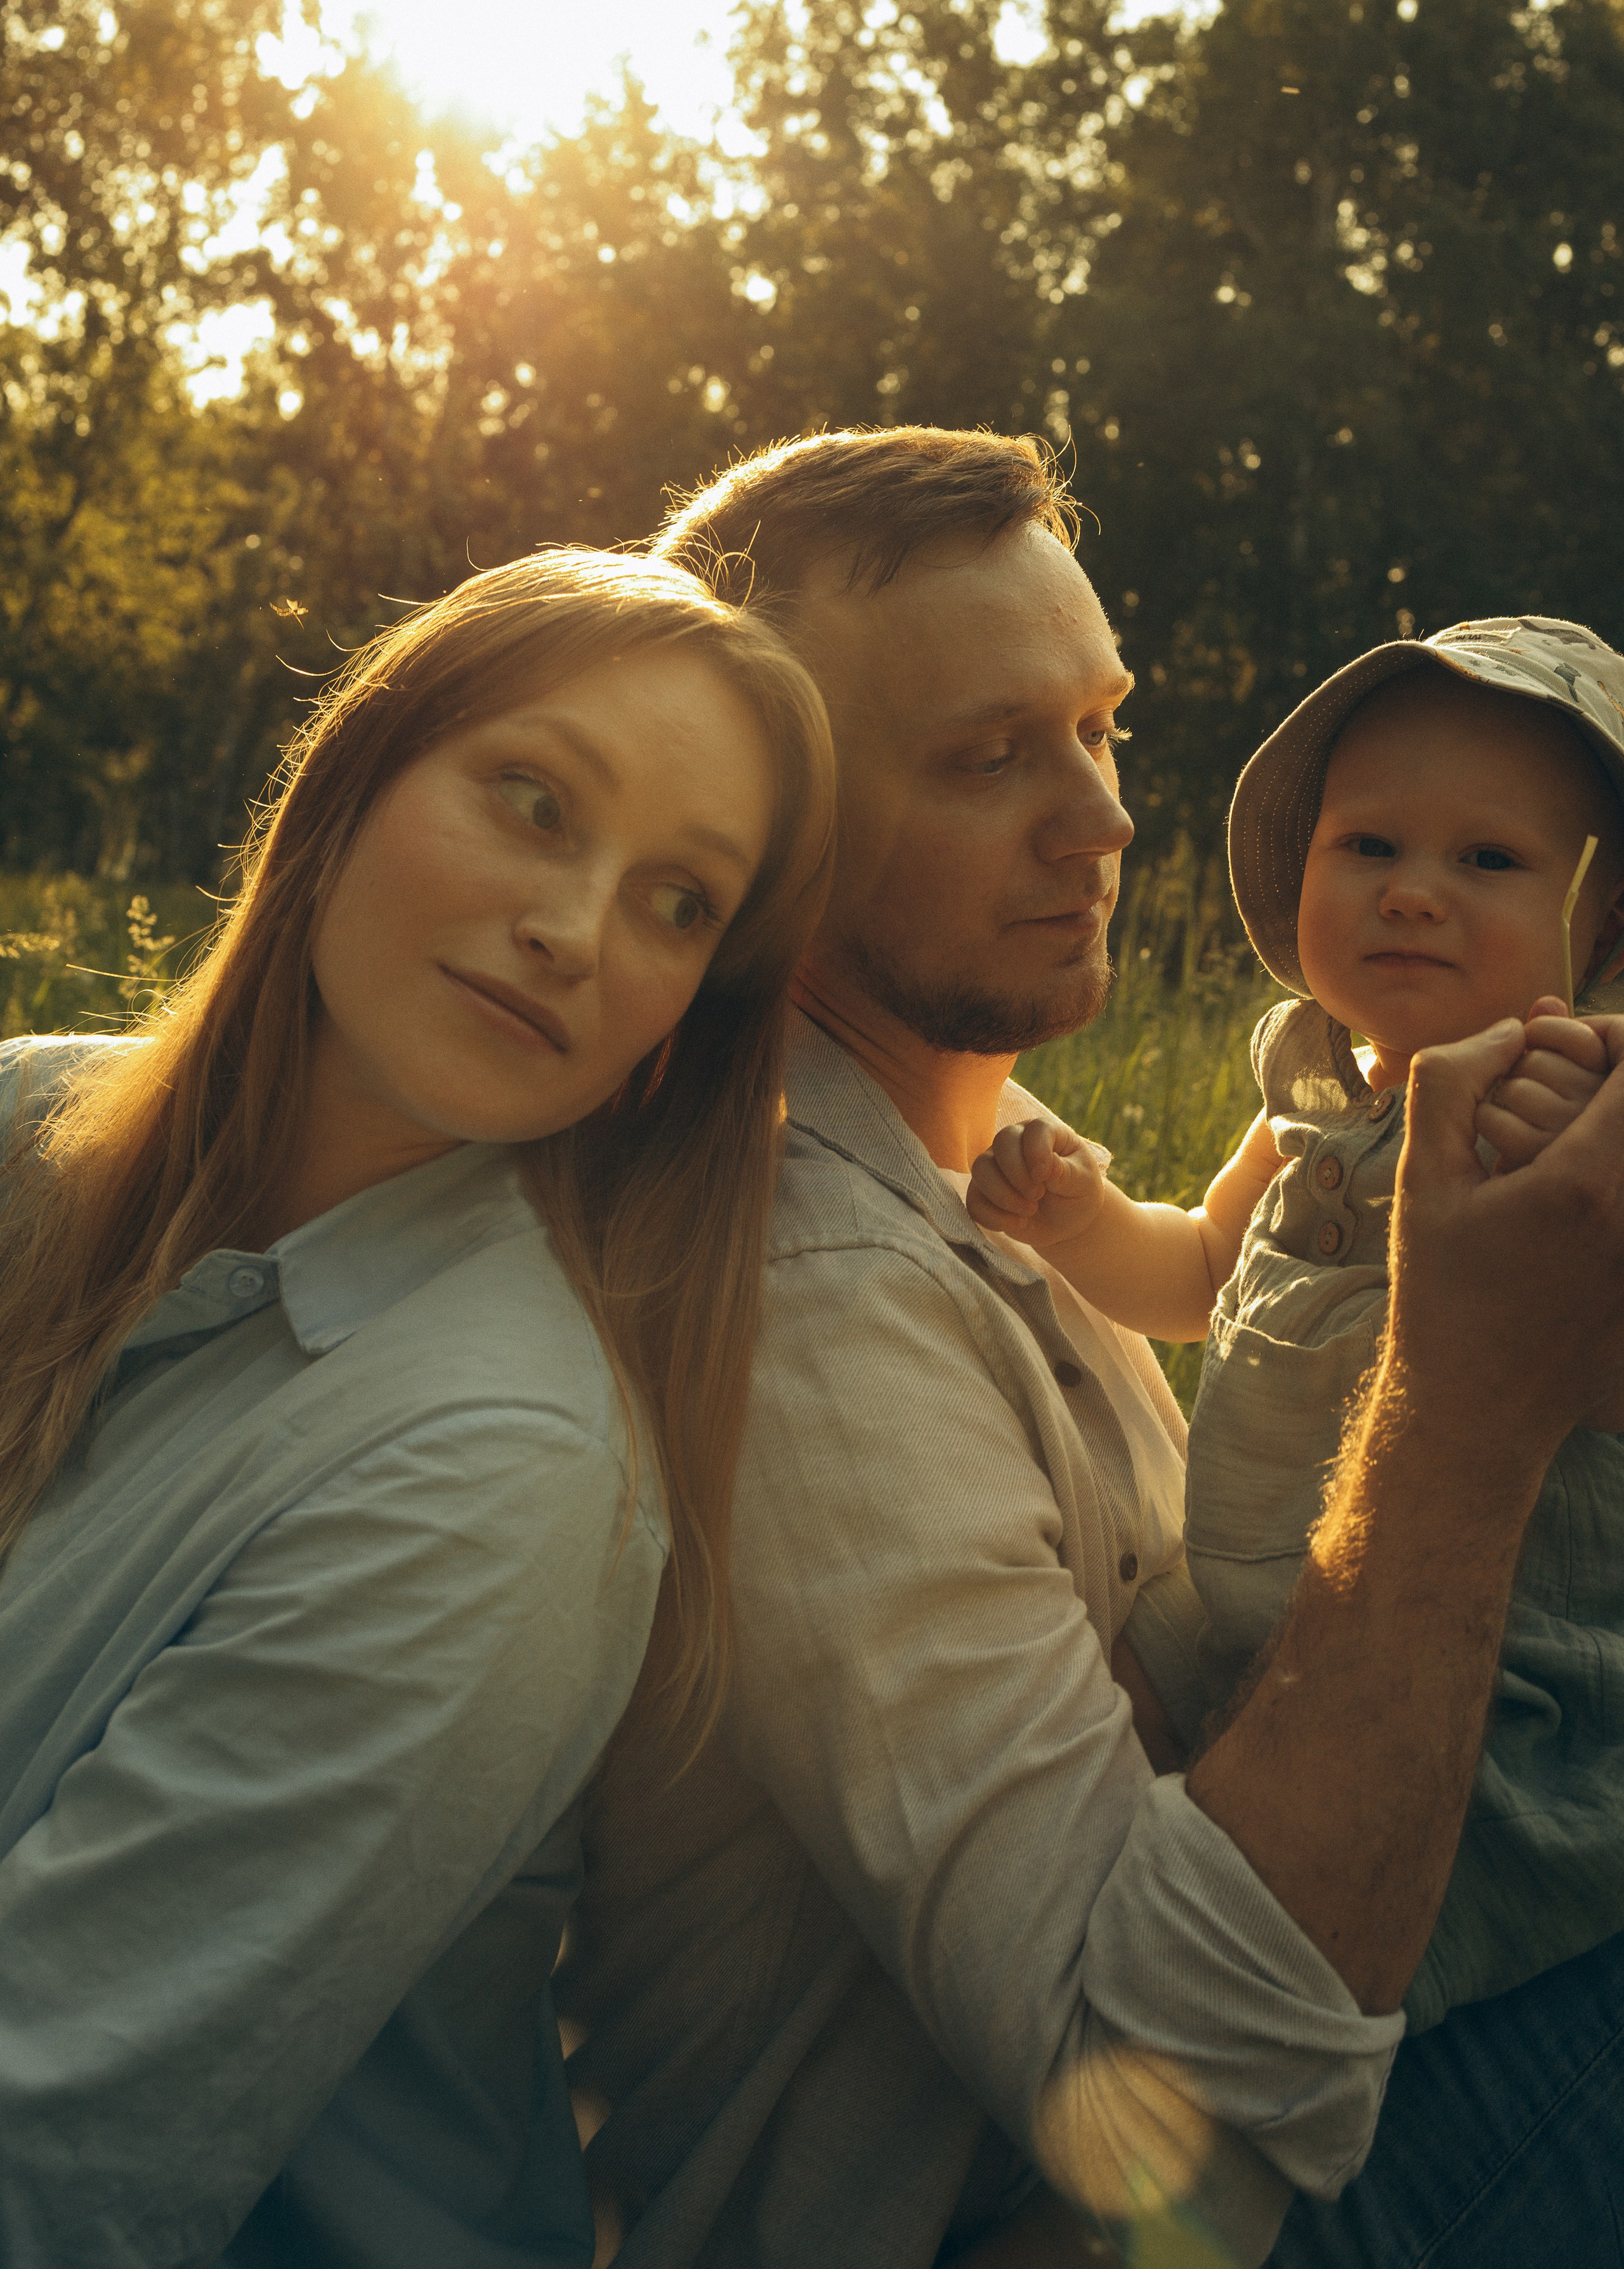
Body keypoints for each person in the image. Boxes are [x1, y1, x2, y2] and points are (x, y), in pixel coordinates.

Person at [558, 432, 1624, 2269]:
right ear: (762, 842)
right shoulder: (812, 1293)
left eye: (1098, 728)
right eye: (986, 759)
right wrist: (1466, 1414)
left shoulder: (995, 1166)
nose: (1104, 823)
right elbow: (1170, 2084)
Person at [0, 548, 834, 2268]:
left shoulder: (498, 1465)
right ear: (355, 773)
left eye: (678, 901)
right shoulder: (23, 1132)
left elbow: (51, 2164)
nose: (575, 931)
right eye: (536, 802)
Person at [967, 617, 1624, 2035]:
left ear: (1604, 924)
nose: (1412, 893)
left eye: (1488, 860)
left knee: (1346, 1964)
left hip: (1487, 1689)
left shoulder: (1578, 1130)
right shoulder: (1310, 1108)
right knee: (1100, 1726)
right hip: (1259, 1637)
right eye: (1367, 846)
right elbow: (1203, 1270)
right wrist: (1080, 1220)